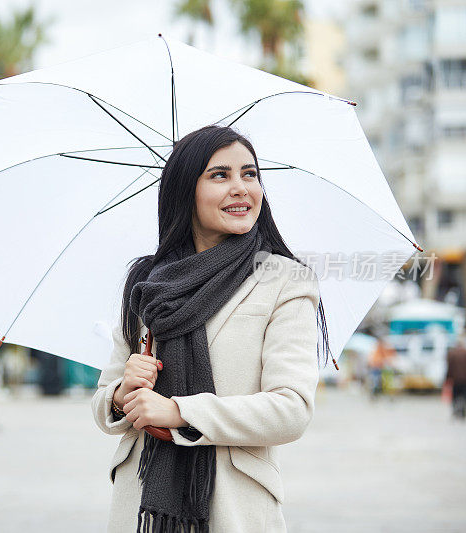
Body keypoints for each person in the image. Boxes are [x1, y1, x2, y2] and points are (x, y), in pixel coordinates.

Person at [91, 125, 332, 532]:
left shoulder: (283, 280)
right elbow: (103, 406)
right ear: (187, 191)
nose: (241, 187)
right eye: (220, 175)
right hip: (143, 506)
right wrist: (121, 394)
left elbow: (291, 409)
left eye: (250, 174)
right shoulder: (149, 284)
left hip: (233, 505)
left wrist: (179, 412)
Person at [445, 333, 466, 421]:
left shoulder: (452, 354)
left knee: (455, 395)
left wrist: (447, 378)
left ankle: (455, 410)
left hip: (455, 379)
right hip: (465, 379)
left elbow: (449, 367)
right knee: (465, 395)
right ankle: (463, 411)